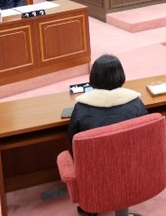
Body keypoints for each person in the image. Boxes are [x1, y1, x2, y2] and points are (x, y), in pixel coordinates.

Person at [67, 54, 147, 216]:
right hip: (131, 165)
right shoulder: (136, 103)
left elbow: (72, 139)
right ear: (121, 75)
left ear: (93, 78)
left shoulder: (82, 107)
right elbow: (145, 136)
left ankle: (92, 204)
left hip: (94, 171)